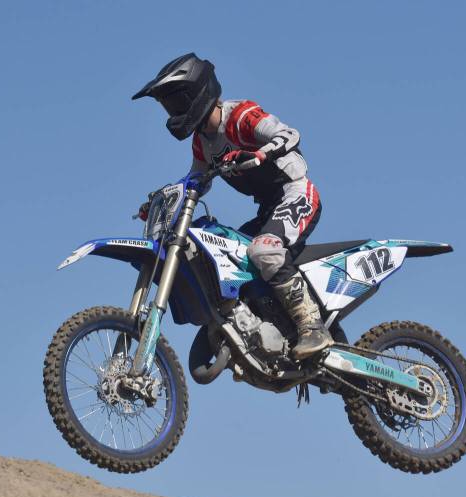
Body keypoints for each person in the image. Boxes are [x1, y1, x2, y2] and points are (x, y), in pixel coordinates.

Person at [132, 52, 333, 359]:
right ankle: (266, 327)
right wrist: (163, 199)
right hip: (268, 208)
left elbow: (289, 134)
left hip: (296, 193)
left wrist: (260, 154)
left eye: (174, 102)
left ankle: (312, 327)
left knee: (263, 250)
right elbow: (195, 182)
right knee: (232, 258)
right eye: (167, 106)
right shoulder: (202, 141)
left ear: (195, 94)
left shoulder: (241, 116)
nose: (172, 112)